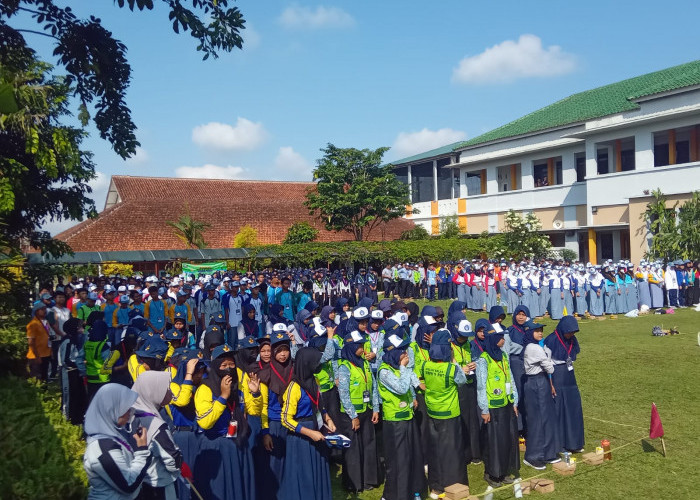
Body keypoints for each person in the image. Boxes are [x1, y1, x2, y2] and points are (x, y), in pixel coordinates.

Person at [194, 344, 258, 500]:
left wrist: (255, 394)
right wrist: (222, 397)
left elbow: (254, 411)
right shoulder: (205, 388)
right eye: (223, 365)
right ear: (215, 366)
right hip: (216, 446)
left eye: (231, 364)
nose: (228, 368)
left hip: (237, 443)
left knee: (238, 489)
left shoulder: (239, 385)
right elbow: (205, 422)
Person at [279, 347, 336, 500]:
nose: (318, 366)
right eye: (315, 362)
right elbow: (285, 419)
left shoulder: (315, 381)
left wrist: (328, 419)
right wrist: (310, 433)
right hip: (301, 438)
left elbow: (319, 405)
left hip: (317, 431)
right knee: (304, 476)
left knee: (318, 472)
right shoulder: (294, 387)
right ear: (306, 364)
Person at [376, 326, 425, 500]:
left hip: (408, 418)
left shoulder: (398, 367)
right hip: (394, 422)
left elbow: (410, 385)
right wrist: (404, 368)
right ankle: (395, 495)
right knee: (399, 462)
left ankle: (414, 491)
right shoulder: (384, 372)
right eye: (401, 351)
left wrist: (414, 395)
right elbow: (401, 386)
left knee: (413, 457)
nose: (405, 354)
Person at [83, 384, 151, 499]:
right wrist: (142, 452)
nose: (130, 412)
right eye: (125, 408)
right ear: (111, 408)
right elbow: (128, 484)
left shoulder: (112, 435)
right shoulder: (102, 447)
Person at [422, 329, 468, 498]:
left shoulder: (426, 365)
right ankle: (453, 484)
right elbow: (462, 381)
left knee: (435, 451)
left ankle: (436, 485)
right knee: (451, 451)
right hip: (449, 415)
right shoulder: (451, 369)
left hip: (432, 413)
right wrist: (455, 361)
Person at [336, 326, 381, 493]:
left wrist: (375, 408)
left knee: (369, 445)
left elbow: (373, 386)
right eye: (360, 346)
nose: (363, 349)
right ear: (352, 347)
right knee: (353, 450)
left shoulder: (366, 364)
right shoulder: (344, 367)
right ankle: (354, 483)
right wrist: (353, 416)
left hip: (367, 410)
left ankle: (369, 479)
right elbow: (344, 393)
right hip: (351, 415)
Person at [477, 330, 520, 488]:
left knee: (506, 440)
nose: (503, 341)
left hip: (506, 404)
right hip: (493, 407)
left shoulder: (503, 355)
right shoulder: (484, 359)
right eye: (501, 339)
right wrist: (484, 409)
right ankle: (492, 474)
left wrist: (514, 401)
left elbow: (510, 377)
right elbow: (481, 386)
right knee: (493, 442)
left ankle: (503, 471)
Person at [131, 371, 182, 499]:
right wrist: (180, 464)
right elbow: (172, 459)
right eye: (166, 388)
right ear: (153, 391)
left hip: (136, 484)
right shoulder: (156, 425)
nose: (171, 392)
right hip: (159, 485)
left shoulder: (129, 415)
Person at [522, 321, 560, 470]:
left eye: (541, 330)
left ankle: (547, 453)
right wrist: (547, 358)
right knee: (537, 419)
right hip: (536, 382)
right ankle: (534, 456)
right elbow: (550, 368)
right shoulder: (534, 348)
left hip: (539, 381)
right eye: (536, 331)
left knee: (545, 417)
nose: (540, 333)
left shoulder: (536, 347)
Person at [543, 315, 584, 453]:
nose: (571, 334)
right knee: (559, 411)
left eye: (573, 332)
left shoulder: (572, 340)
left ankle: (574, 443)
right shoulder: (551, 340)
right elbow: (547, 363)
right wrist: (551, 383)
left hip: (570, 379)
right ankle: (560, 444)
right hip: (557, 378)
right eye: (569, 331)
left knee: (573, 409)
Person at [451, 318, 482, 465]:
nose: (464, 338)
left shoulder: (470, 345)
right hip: (458, 388)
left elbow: (476, 357)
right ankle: (463, 453)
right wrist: (459, 369)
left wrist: (474, 364)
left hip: (471, 386)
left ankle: (475, 452)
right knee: (462, 420)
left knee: (473, 420)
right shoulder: (450, 347)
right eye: (462, 335)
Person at [503, 305, 529, 435]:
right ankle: (518, 427)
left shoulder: (530, 329)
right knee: (517, 392)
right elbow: (509, 348)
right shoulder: (510, 331)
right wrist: (523, 349)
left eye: (523, 315)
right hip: (516, 364)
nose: (521, 317)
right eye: (519, 314)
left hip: (528, 364)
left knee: (527, 394)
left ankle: (527, 424)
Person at [59, 317, 88, 425]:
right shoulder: (67, 341)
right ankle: (68, 419)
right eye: (80, 328)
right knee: (70, 396)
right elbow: (66, 360)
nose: (82, 330)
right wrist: (80, 363)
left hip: (76, 373)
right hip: (69, 373)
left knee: (79, 396)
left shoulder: (76, 340)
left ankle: (78, 418)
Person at [84, 320, 113, 403]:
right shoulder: (103, 346)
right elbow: (108, 362)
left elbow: (79, 359)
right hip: (103, 379)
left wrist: (83, 371)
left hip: (90, 378)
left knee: (92, 401)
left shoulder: (87, 344)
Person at [27, 300, 52, 381]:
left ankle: (45, 391)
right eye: (42, 309)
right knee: (37, 378)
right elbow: (31, 342)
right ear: (37, 311)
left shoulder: (45, 322)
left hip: (46, 354)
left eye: (45, 309)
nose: (45, 311)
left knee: (44, 376)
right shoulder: (33, 324)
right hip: (36, 356)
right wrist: (37, 356)